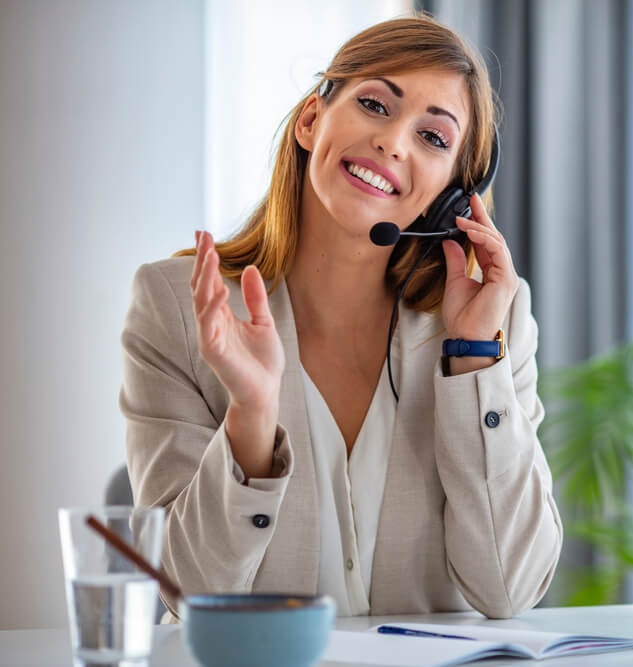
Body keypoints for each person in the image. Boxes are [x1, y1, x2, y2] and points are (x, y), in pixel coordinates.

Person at [119, 15, 562, 622]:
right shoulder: (177, 307)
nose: (394, 142)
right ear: (310, 121)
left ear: (451, 196)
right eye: (376, 104)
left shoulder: (493, 322)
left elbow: (511, 590)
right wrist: (250, 420)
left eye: (433, 138)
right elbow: (188, 593)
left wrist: (473, 357)